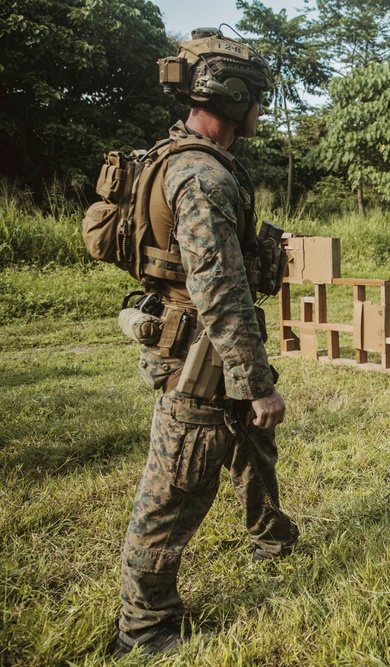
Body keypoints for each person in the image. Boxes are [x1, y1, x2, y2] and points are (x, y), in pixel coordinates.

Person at [112, 28, 298, 656]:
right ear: (233, 95)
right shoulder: (202, 177)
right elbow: (218, 289)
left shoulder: (179, 156)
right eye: (258, 99)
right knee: (175, 488)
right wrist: (256, 382)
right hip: (202, 353)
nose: (262, 112)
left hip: (204, 340)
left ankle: (270, 536)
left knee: (252, 444)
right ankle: (146, 626)